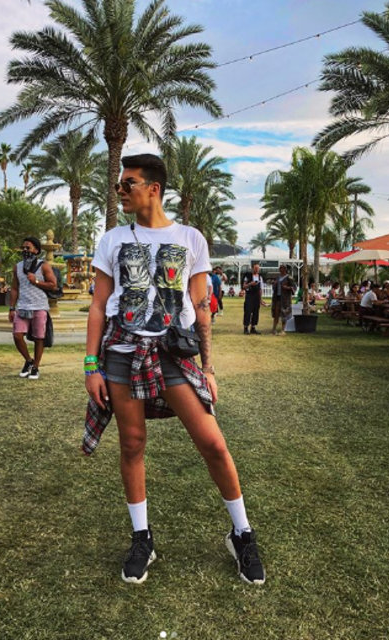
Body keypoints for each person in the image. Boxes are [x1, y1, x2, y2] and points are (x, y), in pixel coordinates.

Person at [83, 154, 265, 586]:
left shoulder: (190, 238)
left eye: (128, 183)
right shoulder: (112, 240)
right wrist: (91, 364)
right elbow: (98, 305)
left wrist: (209, 368)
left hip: (172, 352)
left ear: (153, 188)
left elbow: (201, 307)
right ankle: (141, 538)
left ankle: (242, 534)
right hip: (122, 351)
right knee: (132, 443)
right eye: (119, 185)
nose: (120, 191)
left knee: (213, 443)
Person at [8, 237, 56, 380]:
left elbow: (53, 284)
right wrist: (12, 308)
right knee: (17, 335)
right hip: (22, 306)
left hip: (39, 306)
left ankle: (35, 367)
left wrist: (36, 281)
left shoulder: (44, 266)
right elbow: (15, 288)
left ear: (36, 250)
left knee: (39, 338)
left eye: (28, 248)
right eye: (23, 248)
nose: (25, 250)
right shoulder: (17, 267)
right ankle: (29, 360)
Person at [271, 265, 296, 335]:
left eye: (281, 268)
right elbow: (274, 287)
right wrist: (274, 284)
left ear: (285, 269)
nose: (280, 270)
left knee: (284, 314)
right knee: (276, 313)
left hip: (285, 299)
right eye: (280, 268)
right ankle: (274, 329)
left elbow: (294, 287)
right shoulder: (278, 277)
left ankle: (283, 330)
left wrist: (287, 287)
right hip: (277, 298)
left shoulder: (289, 278)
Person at [241, 263, 263, 334]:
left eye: (258, 268)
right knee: (248, 311)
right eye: (255, 268)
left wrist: (260, 299)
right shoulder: (248, 276)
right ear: (252, 268)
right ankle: (246, 327)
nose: (257, 270)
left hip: (256, 296)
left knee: (256, 312)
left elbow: (260, 289)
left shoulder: (260, 277)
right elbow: (244, 286)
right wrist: (250, 284)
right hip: (249, 295)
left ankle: (253, 327)